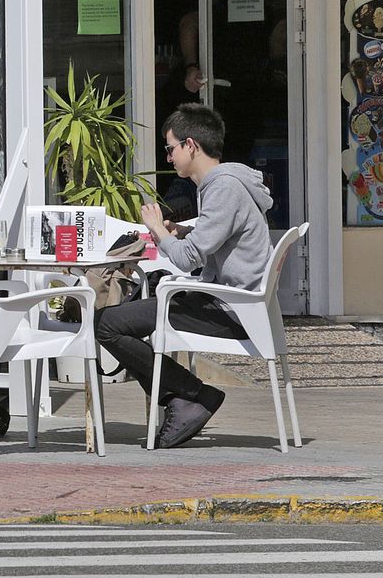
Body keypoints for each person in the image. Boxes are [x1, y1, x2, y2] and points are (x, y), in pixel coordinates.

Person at [95, 103, 274, 449]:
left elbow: (189, 259)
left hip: (231, 310)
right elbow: (212, 240)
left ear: (190, 146)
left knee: (106, 324)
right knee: (119, 321)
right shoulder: (226, 183)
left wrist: (156, 231)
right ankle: (185, 399)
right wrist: (178, 231)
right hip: (228, 301)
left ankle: (194, 396)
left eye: (170, 148)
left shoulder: (223, 188)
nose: (168, 157)